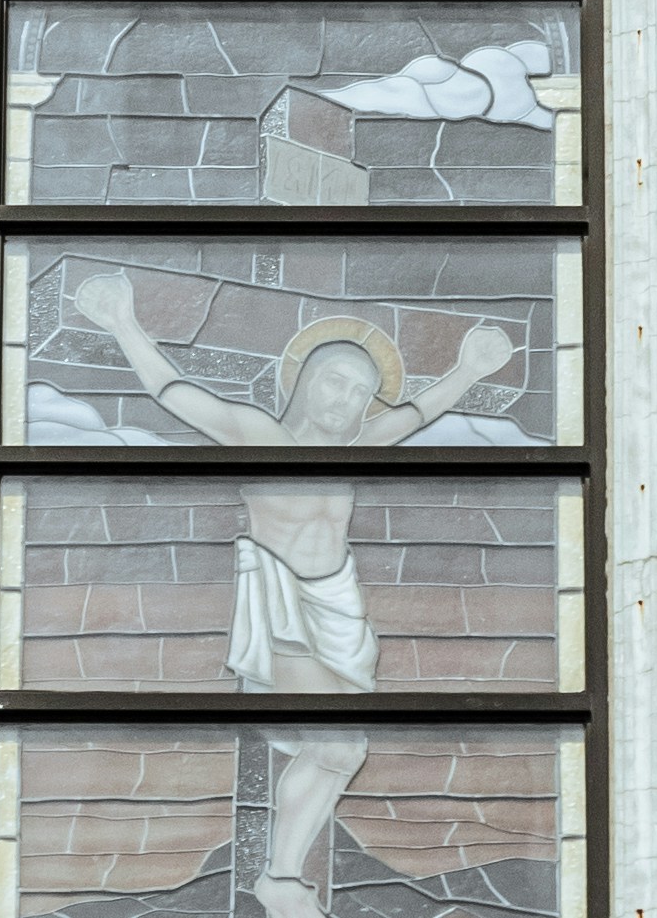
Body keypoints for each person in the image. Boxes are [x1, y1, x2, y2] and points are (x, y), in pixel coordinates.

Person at [65, 271, 520, 918]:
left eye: (363, 391)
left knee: (343, 748)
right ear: (306, 381)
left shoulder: (362, 442)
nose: (349, 399)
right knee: (337, 743)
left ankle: (282, 876)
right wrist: (123, 323)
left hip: (340, 610)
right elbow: (176, 391)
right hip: (283, 605)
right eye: (338, 380)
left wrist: (469, 369)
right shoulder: (259, 432)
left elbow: (421, 410)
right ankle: (278, 881)